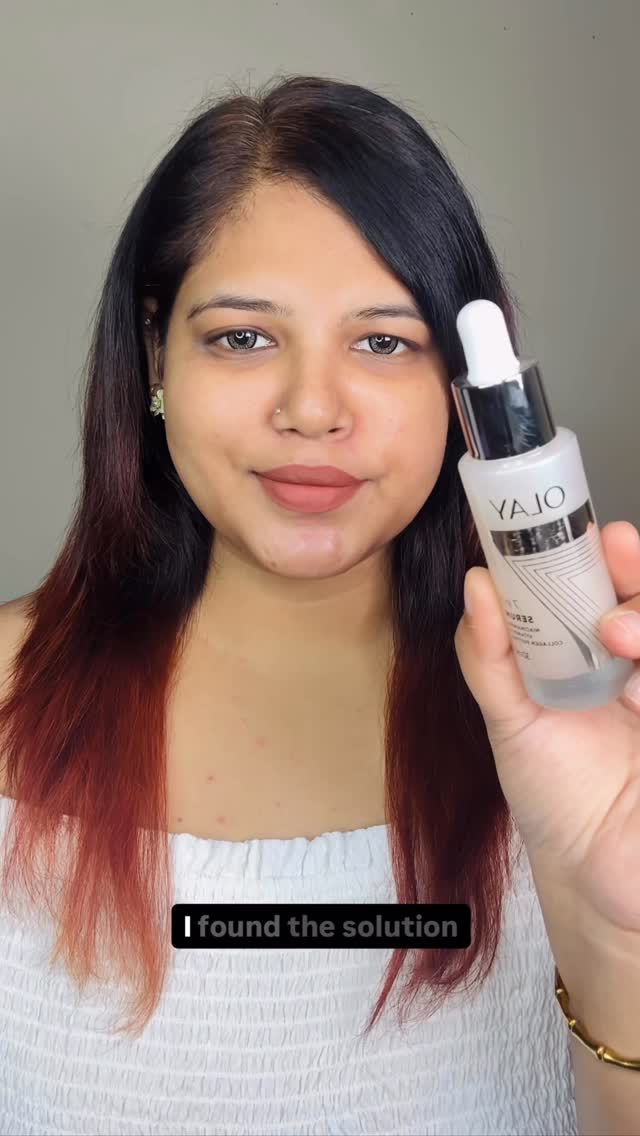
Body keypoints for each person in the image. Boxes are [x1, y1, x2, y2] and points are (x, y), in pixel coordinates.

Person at [1, 73, 639, 1136]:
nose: (311, 409)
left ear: (459, 388)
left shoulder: (588, 729)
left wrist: (616, 934)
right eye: (244, 337)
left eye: (383, 341)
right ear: (156, 355)